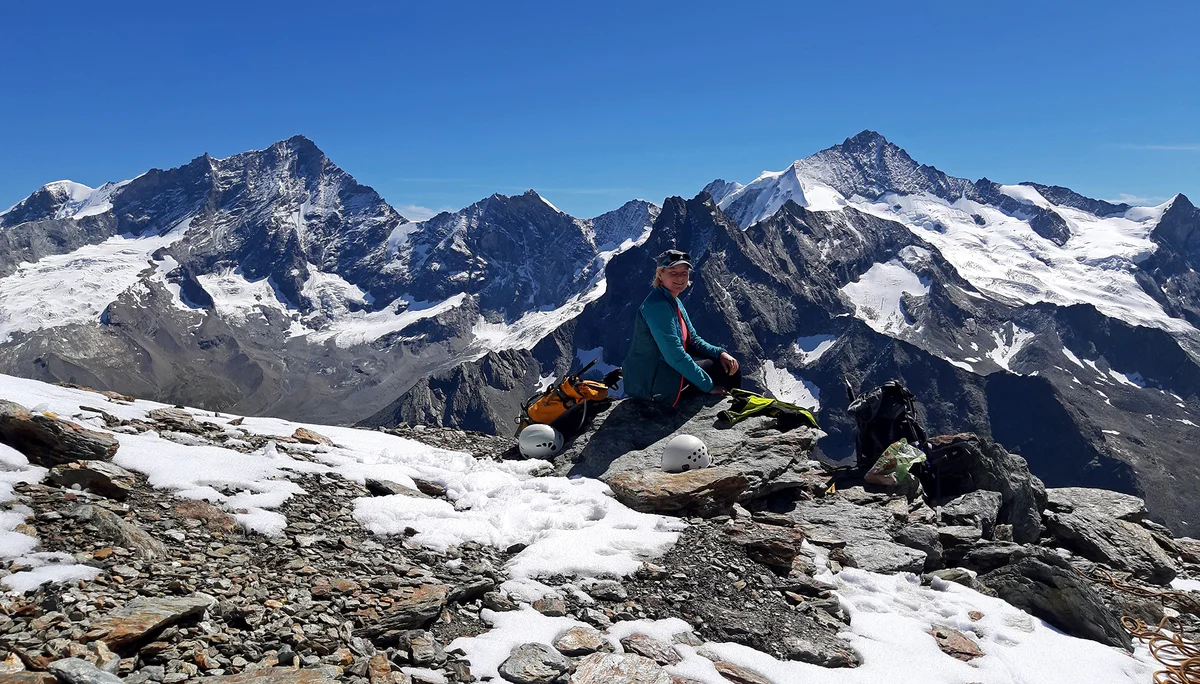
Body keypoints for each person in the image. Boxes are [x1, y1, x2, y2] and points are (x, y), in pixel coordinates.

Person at [622, 249, 742, 406]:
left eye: (684, 273)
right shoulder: (657, 307)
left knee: (727, 366)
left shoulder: (673, 301)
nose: (680, 277)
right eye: (673, 272)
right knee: (726, 373)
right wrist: (708, 386)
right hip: (653, 385)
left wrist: (720, 353)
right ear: (660, 275)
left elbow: (693, 340)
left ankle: (732, 410)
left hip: (665, 372)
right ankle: (732, 413)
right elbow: (674, 355)